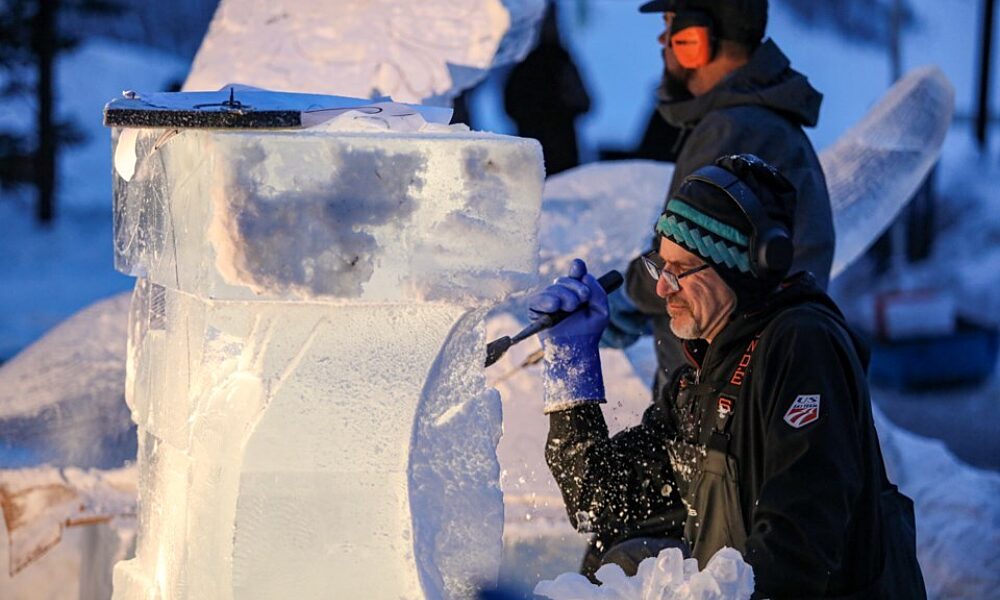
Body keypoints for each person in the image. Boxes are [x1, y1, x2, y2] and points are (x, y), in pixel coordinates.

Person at [532, 155, 925, 598]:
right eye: (660, 267)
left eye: (679, 271)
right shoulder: (702, 378)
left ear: (738, 267)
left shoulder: (801, 346)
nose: (662, 288)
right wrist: (573, 364)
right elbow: (599, 502)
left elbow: (798, 547)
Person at [608, 0, 835, 409]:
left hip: (726, 392)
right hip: (742, 380)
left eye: (670, 26)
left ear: (696, 38)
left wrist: (626, 294)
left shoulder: (734, 130)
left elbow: (686, 258)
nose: (663, 41)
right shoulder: (757, 122)